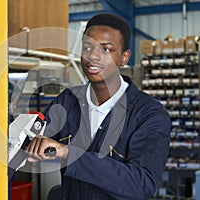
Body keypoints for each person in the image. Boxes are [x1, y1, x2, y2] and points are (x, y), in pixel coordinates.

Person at [25, 13, 171, 199]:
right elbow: (33, 140)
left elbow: (142, 183)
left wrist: (69, 154)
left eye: (106, 49)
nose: (93, 56)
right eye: (87, 47)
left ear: (124, 57)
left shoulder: (149, 115)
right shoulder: (67, 101)